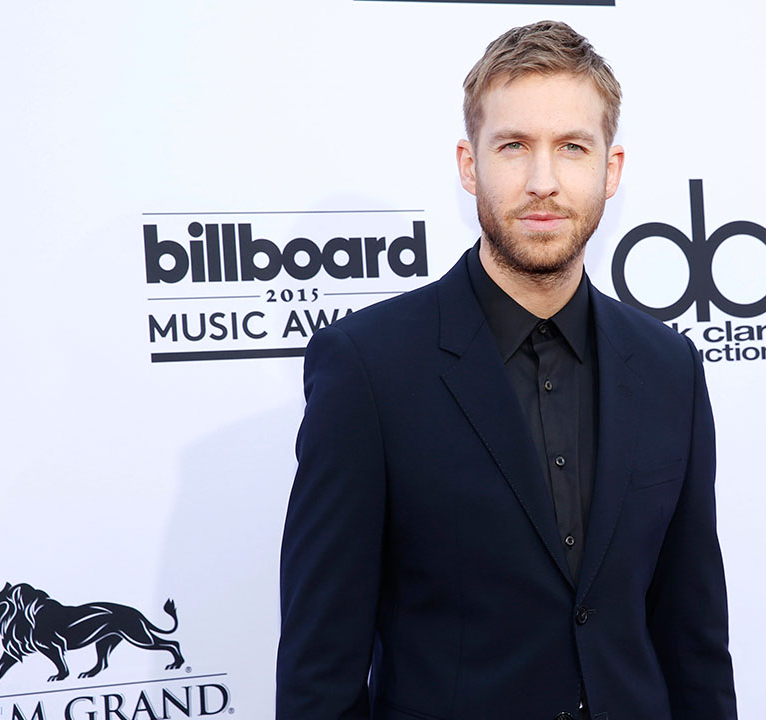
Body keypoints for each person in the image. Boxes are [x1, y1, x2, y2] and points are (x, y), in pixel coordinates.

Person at [277, 20, 736, 720]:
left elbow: (693, 636)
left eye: (572, 148)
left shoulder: (669, 367)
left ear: (610, 170)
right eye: (514, 147)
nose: (543, 181)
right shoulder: (369, 369)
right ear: (470, 165)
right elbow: (321, 669)